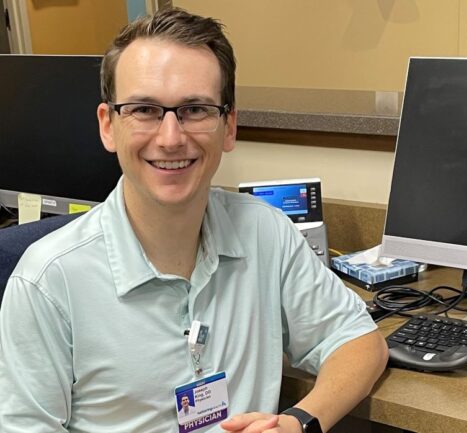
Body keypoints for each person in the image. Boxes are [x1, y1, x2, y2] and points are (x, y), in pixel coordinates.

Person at [0, 7, 388, 433]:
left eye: (196, 109)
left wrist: (299, 422)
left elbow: (357, 341)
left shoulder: (266, 234)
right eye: (144, 109)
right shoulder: (47, 282)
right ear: (108, 125)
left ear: (229, 126)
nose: (171, 138)